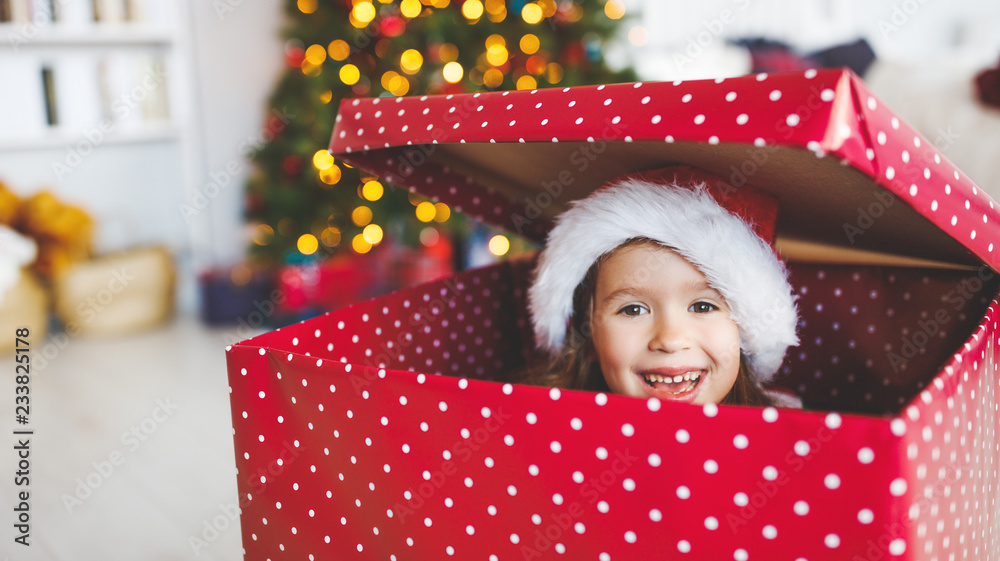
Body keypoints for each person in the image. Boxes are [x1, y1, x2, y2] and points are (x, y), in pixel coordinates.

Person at [523, 166, 801, 407]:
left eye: (703, 306)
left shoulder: (787, 434)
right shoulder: (555, 430)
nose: (670, 340)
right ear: (589, 339)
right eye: (632, 310)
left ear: (745, 333)